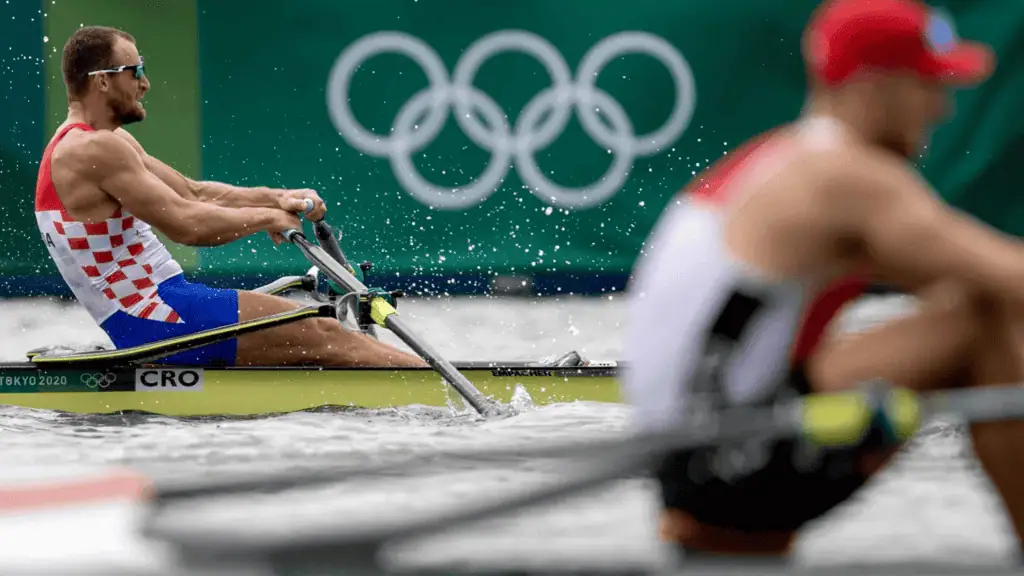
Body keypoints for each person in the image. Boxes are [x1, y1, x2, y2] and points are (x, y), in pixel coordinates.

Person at [622, 0, 1024, 559]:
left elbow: (943, 276)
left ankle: (732, 538)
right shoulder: (846, 179)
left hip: (696, 455)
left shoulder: (791, 159)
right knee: (981, 318)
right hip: (722, 462)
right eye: (929, 85)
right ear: (872, 85)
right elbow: (1010, 281)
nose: (942, 109)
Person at [36, 25, 426, 368]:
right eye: (135, 71)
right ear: (102, 81)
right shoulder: (91, 150)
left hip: (161, 308)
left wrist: (278, 199)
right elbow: (187, 225)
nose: (145, 83)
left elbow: (195, 192)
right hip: (159, 315)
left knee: (317, 335)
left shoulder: (101, 142)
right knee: (326, 333)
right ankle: (436, 397)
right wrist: (268, 219)